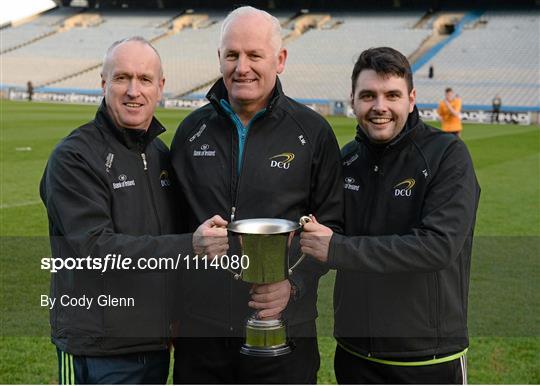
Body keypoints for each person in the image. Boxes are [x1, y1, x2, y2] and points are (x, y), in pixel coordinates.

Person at [170, 6, 343, 384]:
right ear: (219, 59)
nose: (241, 66)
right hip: (202, 337)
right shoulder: (190, 132)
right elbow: (172, 227)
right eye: (232, 55)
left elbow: (333, 228)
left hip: (285, 333)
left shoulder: (312, 133)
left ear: (279, 60)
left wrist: (293, 286)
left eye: (254, 55)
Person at [40, 36, 228, 384]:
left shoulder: (160, 155)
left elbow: (163, 241)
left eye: (144, 79)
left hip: (155, 345)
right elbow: (95, 250)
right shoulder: (75, 157)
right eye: (121, 78)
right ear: (103, 84)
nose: (133, 90)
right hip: (98, 348)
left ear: (161, 87)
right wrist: (191, 246)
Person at [300, 47, 480, 384]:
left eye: (392, 95)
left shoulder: (447, 155)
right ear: (352, 100)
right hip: (355, 354)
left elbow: (437, 246)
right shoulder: (348, 159)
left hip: (426, 359)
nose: (379, 106)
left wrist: (337, 249)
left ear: (411, 99)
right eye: (368, 95)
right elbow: (325, 234)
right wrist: (290, 280)